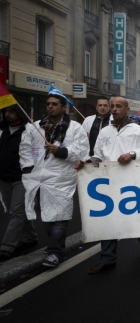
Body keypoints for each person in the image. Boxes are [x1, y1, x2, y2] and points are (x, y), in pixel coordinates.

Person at [82, 97, 140, 274]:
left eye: (118, 106)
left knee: (137, 221)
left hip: (132, 184)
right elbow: (97, 155)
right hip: (109, 182)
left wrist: (133, 154)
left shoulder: (137, 130)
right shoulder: (104, 131)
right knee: (108, 222)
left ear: (127, 109)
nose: (113, 109)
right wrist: (85, 163)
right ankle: (108, 259)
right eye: (112, 106)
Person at [20, 94, 89, 267]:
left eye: (55, 104)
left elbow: (81, 150)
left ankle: (55, 252)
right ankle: (54, 243)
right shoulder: (35, 127)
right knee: (46, 216)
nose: (50, 107)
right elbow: (25, 148)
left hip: (61, 178)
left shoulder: (74, 128)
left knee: (60, 216)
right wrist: (27, 167)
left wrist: (61, 151)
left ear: (63, 107)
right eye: (48, 104)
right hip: (38, 178)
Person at [0, 103, 38, 261]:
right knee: (16, 210)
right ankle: (30, 236)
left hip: (22, 178)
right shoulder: (2, 130)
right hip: (4, 177)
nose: (8, 114)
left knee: (16, 212)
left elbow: (37, 153)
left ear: (19, 113)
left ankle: (6, 246)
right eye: (5, 111)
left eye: (11, 111)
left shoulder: (30, 131)